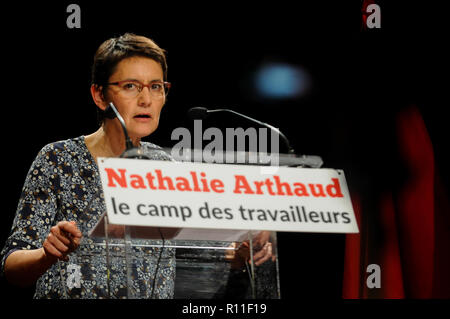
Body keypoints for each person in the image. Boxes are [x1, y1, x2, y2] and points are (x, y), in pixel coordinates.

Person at [0, 33, 175, 298]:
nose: (146, 100)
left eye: (155, 86)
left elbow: (194, 257)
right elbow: (12, 267)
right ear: (99, 95)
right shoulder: (58, 159)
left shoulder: (168, 168)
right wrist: (47, 254)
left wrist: (236, 257)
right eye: (130, 86)